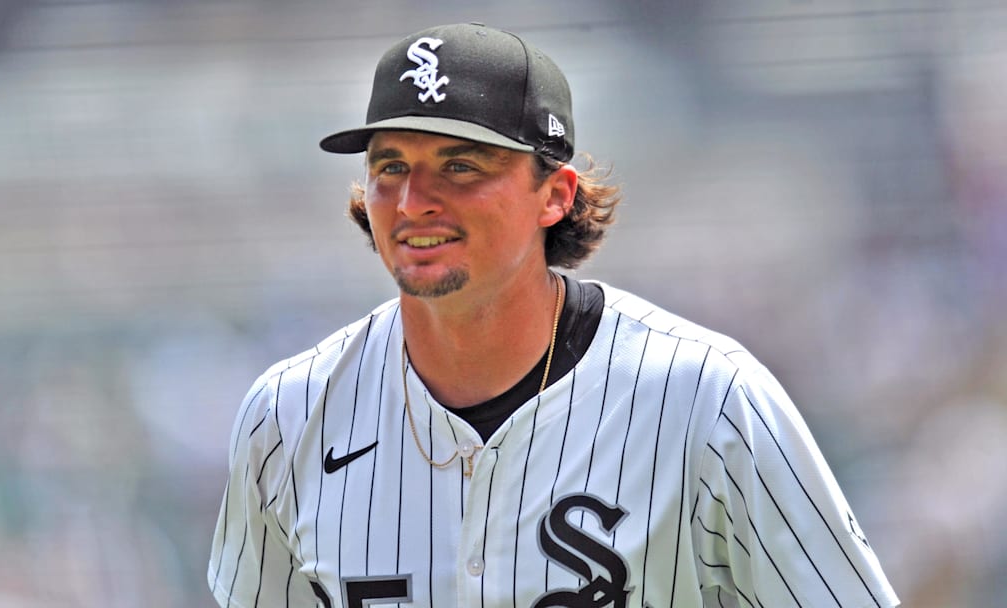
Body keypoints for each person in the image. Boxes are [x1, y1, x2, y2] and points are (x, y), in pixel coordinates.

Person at [208, 22, 899, 608]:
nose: (414, 200)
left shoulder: (708, 399)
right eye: (390, 167)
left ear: (555, 195)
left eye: (461, 166)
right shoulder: (287, 416)